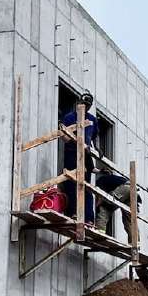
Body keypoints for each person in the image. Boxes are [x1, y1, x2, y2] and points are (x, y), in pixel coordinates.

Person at [59, 92, 98, 221]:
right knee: (71, 184)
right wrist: (74, 139)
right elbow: (64, 137)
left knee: (86, 187)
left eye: (88, 105)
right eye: (84, 104)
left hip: (85, 156)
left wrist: (96, 148)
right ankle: (73, 213)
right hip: (72, 154)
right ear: (78, 103)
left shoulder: (92, 119)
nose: (85, 107)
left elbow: (93, 137)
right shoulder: (70, 117)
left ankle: (88, 218)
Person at [94, 170, 134, 236]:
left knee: (104, 208)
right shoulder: (114, 179)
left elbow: (100, 195)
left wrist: (97, 206)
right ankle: (134, 242)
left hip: (124, 188)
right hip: (133, 191)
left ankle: (100, 233)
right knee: (129, 219)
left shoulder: (101, 180)